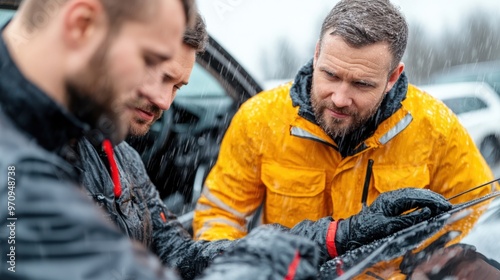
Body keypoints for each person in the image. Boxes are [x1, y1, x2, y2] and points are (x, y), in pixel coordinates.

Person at [0, 1, 452, 279]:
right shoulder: (19, 171)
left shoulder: (117, 153)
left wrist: (340, 234)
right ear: (81, 25)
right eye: (151, 64)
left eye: (177, 86)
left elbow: (178, 254)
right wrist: (261, 264)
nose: (163, 102)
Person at [193, 0, 496, 242]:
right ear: (316, 55)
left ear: (393, 76)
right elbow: (219, 215)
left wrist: (434, 261)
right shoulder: (258, 119)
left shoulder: (435, 126)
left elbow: (479, 212)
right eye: (330, 75)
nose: (339, 97)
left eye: (361, 84)